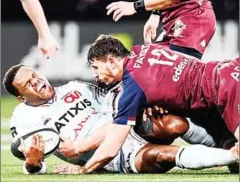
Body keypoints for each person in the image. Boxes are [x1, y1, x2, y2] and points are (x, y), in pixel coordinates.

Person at [3, 65, 238, 174]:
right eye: (29, 84)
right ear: (22, 97)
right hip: (113, 157)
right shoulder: (23, 119)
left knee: (173, 121)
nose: (37, 81)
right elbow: (32, 160)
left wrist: (145, 104)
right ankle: (232, 157)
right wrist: (32, 165)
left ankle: (224, 146)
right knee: (164, 155)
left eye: (34, 74)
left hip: (123, 130)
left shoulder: (75, 87)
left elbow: (118, 102)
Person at [75, 34, 239, 173]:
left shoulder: (132, 88)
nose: (94, 74)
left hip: (223, 87)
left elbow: (111, 148)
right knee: (233, 161)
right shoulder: (143, 49)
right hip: (226, 68)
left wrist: (83, 170)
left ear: (111, 62)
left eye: (95, 67)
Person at [106, 0, 216, 59]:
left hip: (193, 17)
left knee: (175, 77)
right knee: (147, 63)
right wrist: (156, 13)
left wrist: (136, 6)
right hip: (176, 17)